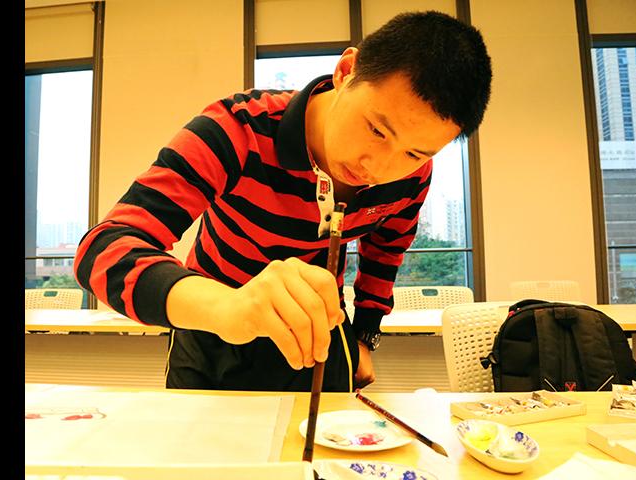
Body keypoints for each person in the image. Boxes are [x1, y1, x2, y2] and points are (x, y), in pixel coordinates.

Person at [74, 10, 492, 392]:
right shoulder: (238, 130)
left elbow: (386, 252)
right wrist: (231, 307)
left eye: (415, 152)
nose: (378, 167)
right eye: (377, 130)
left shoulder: (411, 174)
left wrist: (366, 335)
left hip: (319, 332)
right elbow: (103, 251)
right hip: (213, 328)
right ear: (347, 71)